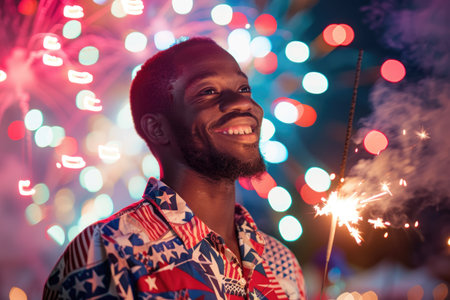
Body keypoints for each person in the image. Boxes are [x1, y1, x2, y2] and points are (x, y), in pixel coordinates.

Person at [43, 37, 306, 299]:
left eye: (244, 88)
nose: (243, 103)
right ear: (157, 128)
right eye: (208, 91)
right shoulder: (109, 251)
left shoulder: (282, 263)